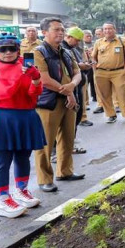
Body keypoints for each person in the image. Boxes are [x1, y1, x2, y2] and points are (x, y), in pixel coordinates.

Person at [0, 35, 46, 218]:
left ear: (18, 50)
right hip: (3, 121)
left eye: (12, 49)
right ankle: (3, 199)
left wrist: (35, 78)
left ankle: (21, 190)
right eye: (3, 49)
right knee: (2, 163)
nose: (8, 53)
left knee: (23, 158)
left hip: (26, 117)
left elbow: (34, 95)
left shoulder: (28, 69)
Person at [34, 17, 84, 192]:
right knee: (45, 143)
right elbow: (44, 80)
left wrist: (72, 86)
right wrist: (70, 91)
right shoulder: (39, 52)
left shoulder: (66, 51)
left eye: (62, 29)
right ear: (44, 32)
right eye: (56, 29)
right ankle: (44, 179)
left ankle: (64, 171)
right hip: (49, 102)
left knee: (68, 138)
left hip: (68, 100)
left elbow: (77, 73)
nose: (61, 32)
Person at [92, 23, 125, 124]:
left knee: (122, 94)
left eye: (110, 28)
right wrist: (95, 70)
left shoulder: (122, 41)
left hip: (118, 72)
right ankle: (111, 115)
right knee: (104, 95)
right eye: (105, 29)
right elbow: (93, 57)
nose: (107, 31)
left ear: (114, 29)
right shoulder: (98, 42)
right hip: (101, 72)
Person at [61, 28, 91, 153]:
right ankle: (63, 148)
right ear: (68, 37)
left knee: (75, 118)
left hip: (76, 86)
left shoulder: (72, 49)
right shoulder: (62, 49)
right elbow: (67, 67)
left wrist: (83, 65)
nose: (77, 43)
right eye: (76, 40)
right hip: (69, 88)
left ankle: (69, 145)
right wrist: (81, 66)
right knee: (68, 121)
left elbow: (75, 66)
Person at [82, 29, 98, 106]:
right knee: (86, 82)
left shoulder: (95, 43)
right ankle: (85, 100)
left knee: (94, 82)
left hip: (94, 65)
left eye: (90, 36)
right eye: (87, 36)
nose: (89, 37)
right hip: (86, 65)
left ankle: (95, 96)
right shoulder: (81, 45)